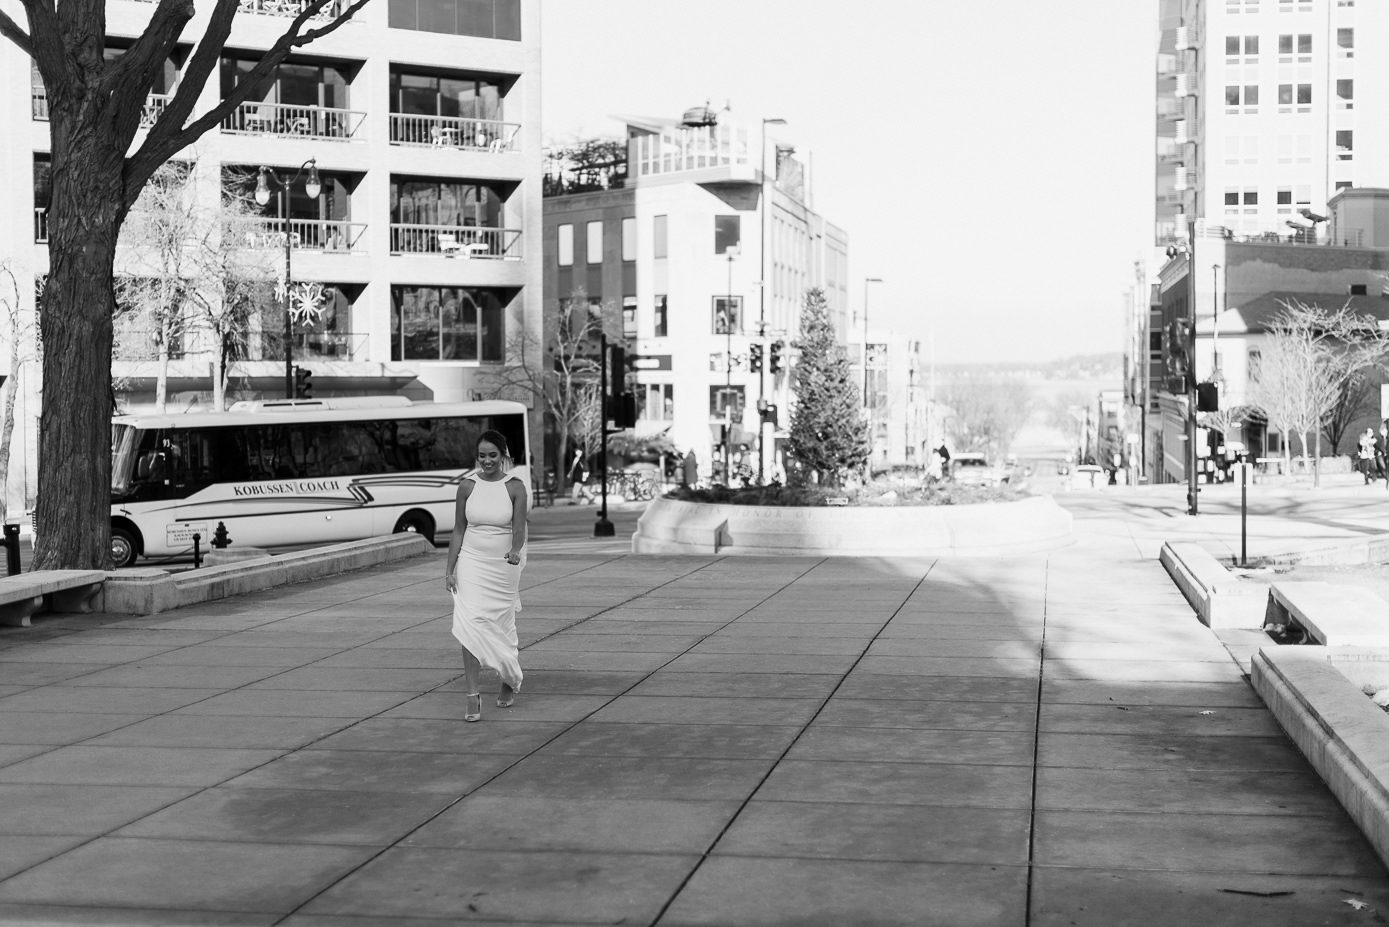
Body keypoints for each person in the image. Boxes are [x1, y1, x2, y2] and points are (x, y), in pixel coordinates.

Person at [444, 430, 528, 722]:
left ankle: (508, 677)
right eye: (482, 455)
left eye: (493, 455)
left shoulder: (515, 487)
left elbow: (519, 529)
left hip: (503, 563)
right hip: (471, 560)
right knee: (469, 623)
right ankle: (472, 694)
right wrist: (450, 568)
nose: (487, 460)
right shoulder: (467, 486)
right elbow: (458, 530)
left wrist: (516, 550)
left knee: (502, 623)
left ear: (503, 456)